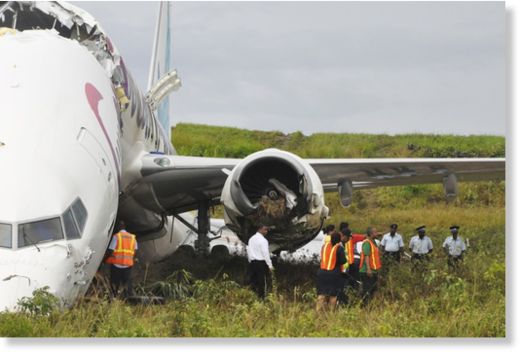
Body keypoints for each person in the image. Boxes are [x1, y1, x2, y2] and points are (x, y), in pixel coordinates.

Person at [103, 221, 138, 298]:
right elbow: (135, 250)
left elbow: (111, 250)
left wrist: (104, 260)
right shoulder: (132, 237)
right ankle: (129, 299)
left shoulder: (116, 236)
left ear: (118, 228)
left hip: (116, 265)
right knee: (127, 284)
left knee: (115, 284)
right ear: (125, 227)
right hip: (128, 265)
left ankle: (114, 298)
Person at [316, 232, 347, 311]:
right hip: (333, 274)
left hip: (321, 273)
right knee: (333, 295)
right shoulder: (339, 248)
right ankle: (331, 315)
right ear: (339, 239)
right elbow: (343, 261)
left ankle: (318, 313)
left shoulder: (324, 246)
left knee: (321, 294)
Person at [247, 224, 274, 299]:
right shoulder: (263, 241)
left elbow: (248, 250)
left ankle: (252, 296)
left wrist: (250, 261)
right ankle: (261, 298)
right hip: (261, 263)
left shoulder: (251, 239)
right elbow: (265, 254)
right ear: (260, 229)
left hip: (252, 262)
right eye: (265, 229)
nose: (266, 231)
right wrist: (270, 265)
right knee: (262, 281)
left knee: (253, 280)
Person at [359, 227, 382, 306]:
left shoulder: (374, 242)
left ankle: (371, 306)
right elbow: (366, 256)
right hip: (367, 270)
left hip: (374, 269)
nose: (377, 233)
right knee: (367, 290)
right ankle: (364, 307)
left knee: (373, 289)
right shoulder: (367, 242)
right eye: (375, 232)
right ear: (371, 234)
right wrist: (368, 269)